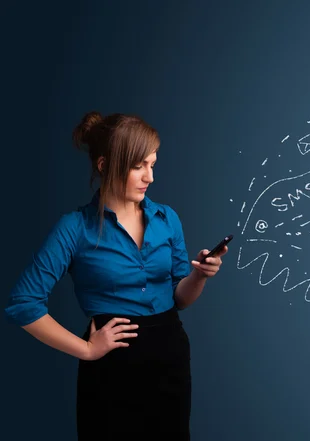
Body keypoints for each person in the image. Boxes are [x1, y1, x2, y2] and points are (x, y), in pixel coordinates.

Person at [4, 111, 227, 439]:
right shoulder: (74, 228)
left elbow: (179, 299)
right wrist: (87, 350)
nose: (149, 177)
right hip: (111, 367)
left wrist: (199, 276)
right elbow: (23, 304)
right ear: (104, 165)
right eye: (138, 166)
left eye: (152, 164)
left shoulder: (167, 219)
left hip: (170, 357)